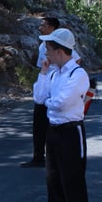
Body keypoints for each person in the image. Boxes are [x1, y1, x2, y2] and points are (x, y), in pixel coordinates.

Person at [33, 28, 93, 202]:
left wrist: (50, 100)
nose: (45, 54)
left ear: (60, 51)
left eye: (48, 49)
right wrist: (42, 74)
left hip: (70, 131)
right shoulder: (52, 73)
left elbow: (60, 103)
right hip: (54, 131)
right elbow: (39, 98)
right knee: (53, 178)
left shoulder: (77, 74)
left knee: (73, 179)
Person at [22, 17, 59, 168]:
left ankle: (54, 158)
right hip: (44, 89)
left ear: (52, 27)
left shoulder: (60, 43)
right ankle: (38, 157)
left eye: (43, 25)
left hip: (56, 90)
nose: (40, 27)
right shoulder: (42, 45)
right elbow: (40, 67)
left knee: (54, 126)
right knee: (38, 124)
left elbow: (76, 61)